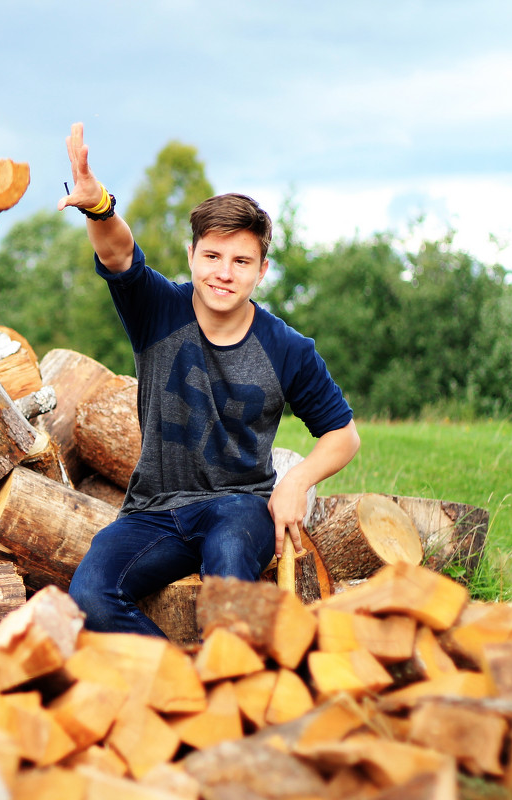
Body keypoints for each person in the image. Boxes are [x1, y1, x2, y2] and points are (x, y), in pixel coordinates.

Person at [59, 122, 361, 638]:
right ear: (193, 256)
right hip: (153, 510)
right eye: (213, 256)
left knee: (226, 577)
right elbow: (118, 253)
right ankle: (187, 689)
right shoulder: (157, 310)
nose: (224, 272)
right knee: (89, 596)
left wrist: (295, 481)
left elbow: (343, 436)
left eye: (241, 261)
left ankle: (231, 680)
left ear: (261, 271)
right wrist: (99, 206)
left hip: (240, 509)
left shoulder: (288, 348)